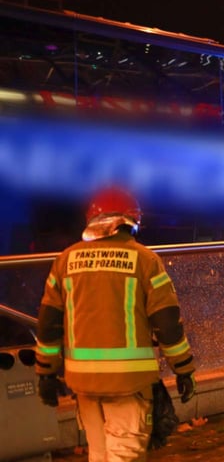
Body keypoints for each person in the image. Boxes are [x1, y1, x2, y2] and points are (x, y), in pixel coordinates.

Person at [35, 187, 197, 461]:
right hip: (129, 384)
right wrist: (184, 369)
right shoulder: (145, 261)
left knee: (98, 454)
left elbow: (49, 324)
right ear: (132, 222)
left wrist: (46, 373)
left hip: (83, 382)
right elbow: (167, 325)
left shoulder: (65, 261)